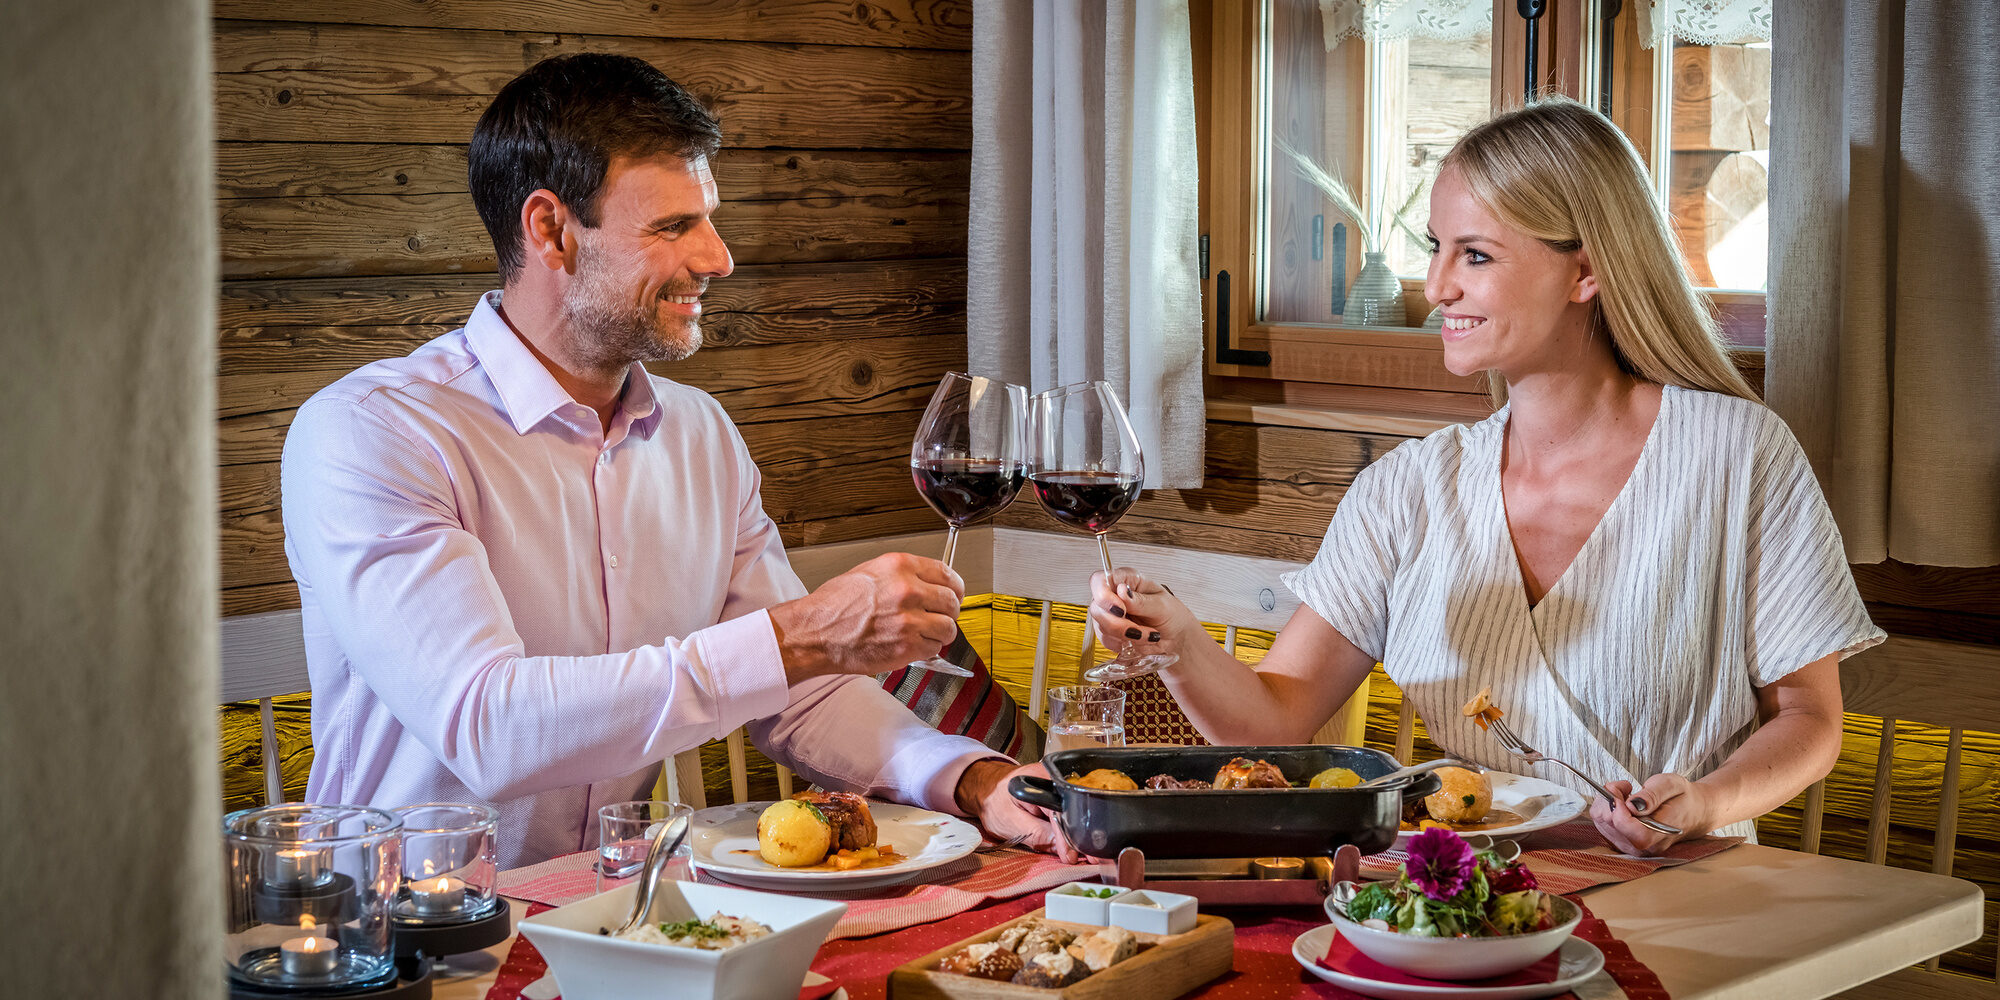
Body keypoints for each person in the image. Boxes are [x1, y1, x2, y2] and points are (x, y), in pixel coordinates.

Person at [282, 53, 1048, 867]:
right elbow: (488, 727)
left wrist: (975, 781)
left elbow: (801, 692)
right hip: (391, 949)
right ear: (550, 231)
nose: (718, 258)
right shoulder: (375, 432)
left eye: (708, 218)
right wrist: (797, 634)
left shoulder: (701, 433)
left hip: (617, 912)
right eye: (673, 226)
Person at [1091, 98, 1884, 856]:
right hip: (1458, 889)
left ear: (1586, 273)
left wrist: (1705, 803)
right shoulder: (1407, 489)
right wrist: (1178, 642)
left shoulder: (1737, 454)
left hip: (1685, 887)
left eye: (1474, 254)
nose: (1438, 288)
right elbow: (1275, 719)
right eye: (1435, 248)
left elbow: (1810, 717)